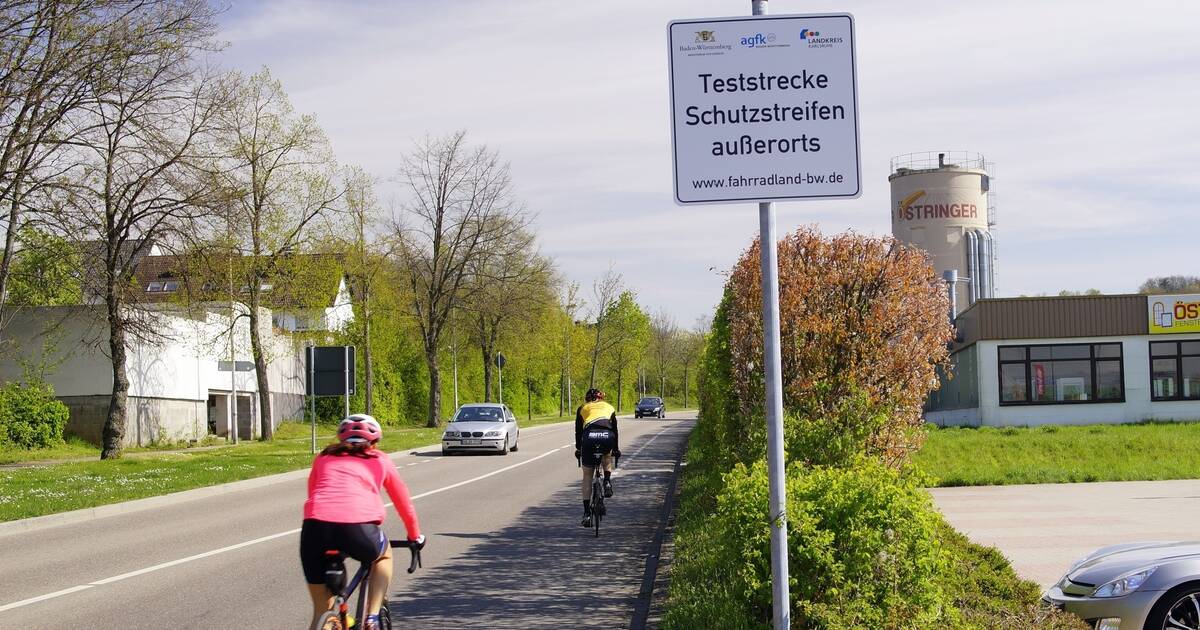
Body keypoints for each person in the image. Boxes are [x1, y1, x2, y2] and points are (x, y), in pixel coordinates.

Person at [300, 414, 424, 630]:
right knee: (383, 555)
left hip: (314, 528)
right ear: (374, 442)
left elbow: (312, 492)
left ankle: (329, 619)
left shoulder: (323, 457)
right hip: (358, 529)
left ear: (341, 440)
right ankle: (373, 617)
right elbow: (403, 503)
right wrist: (414, 536)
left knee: (322, 611)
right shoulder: (380, 459)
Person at [574, 388, 621, 527]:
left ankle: (587, 514)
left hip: (589, 437)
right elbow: (615, 430)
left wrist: (578, 449)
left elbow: (578, 431)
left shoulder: (582, 408)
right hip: (607, 436)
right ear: (602, 398)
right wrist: (616, 449)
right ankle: (606, 481)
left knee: (587, 475)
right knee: (607, 456)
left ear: (587, 399)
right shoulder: (609, 407)